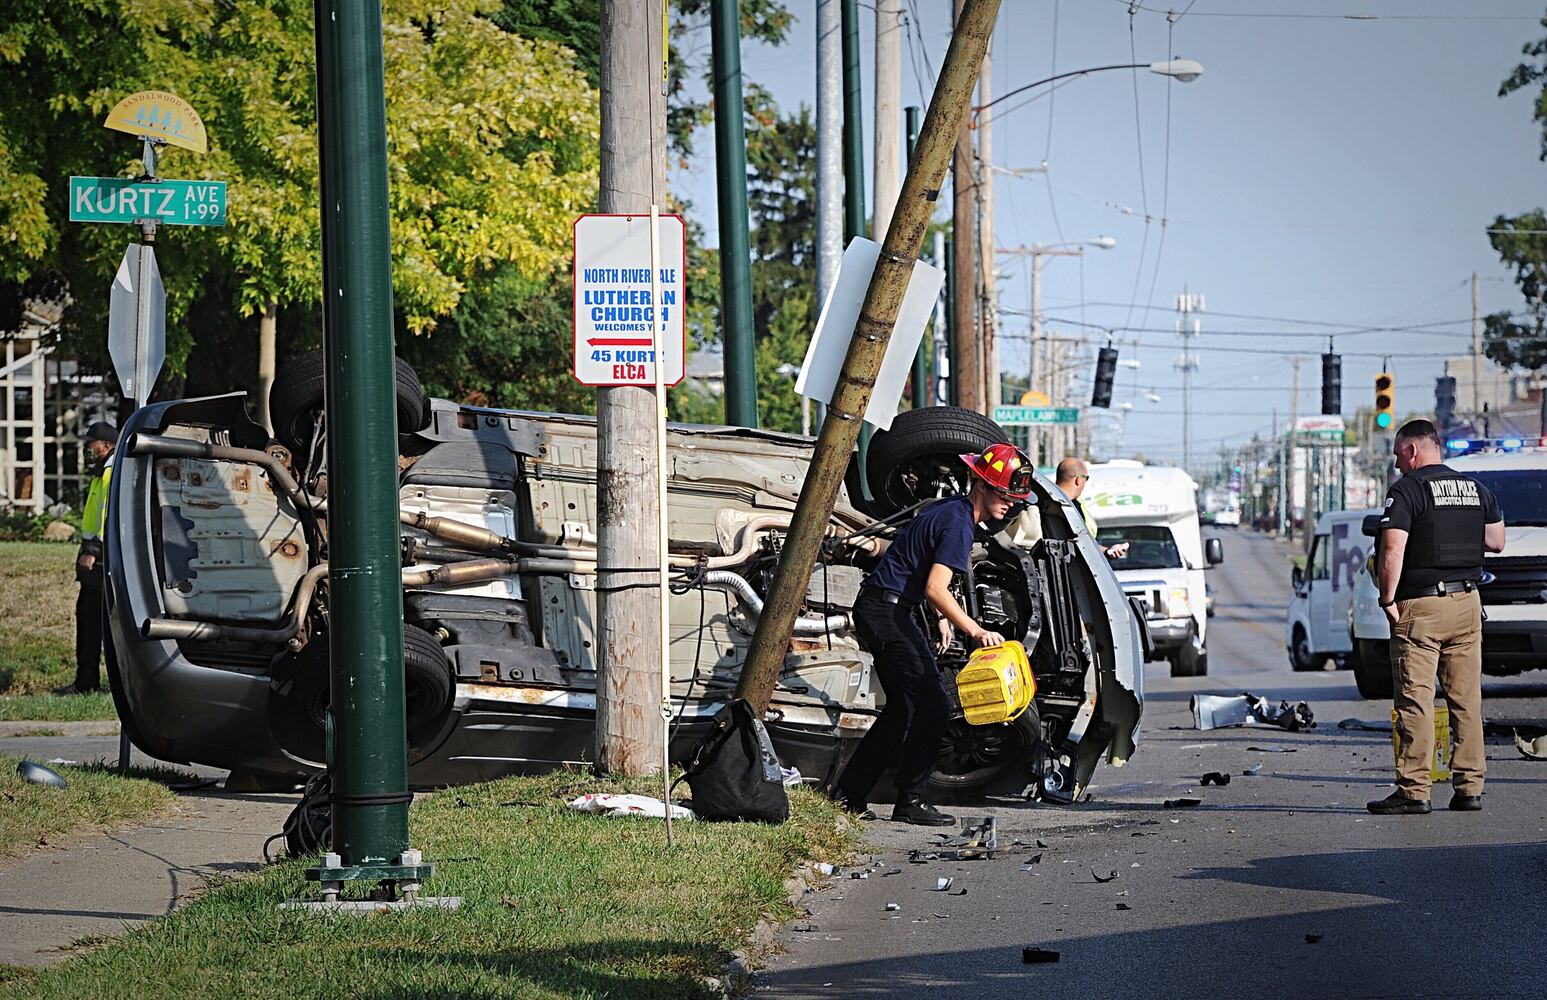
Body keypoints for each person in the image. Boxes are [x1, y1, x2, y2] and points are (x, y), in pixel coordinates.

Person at [832, 442, 1030, 826]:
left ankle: (850, 793)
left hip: (883, 607)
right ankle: (910, 800)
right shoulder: (959, 524)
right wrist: (974, 629)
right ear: (982, 484)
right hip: (886, 611)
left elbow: (918, 566)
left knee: (903, 708)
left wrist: (941, 618)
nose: (1010, 503)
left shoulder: (949, 509)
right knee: (934, 705)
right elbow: (935, 588)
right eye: (1005, 494)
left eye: (1014, 497)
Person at [1367, 419, 1504, 815]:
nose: (1397, 464)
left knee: (1416, 700)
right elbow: (1496, 541)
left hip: (1421, 608)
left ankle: (1414, 791)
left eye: (1397, 455)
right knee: (1466, 701)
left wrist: (1387, 598)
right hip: (1466, 604)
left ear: (1412, 450)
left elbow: (1392, 550)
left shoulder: (1407, 490)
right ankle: (1469, 788)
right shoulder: (1475, 488)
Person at [62, 421, 117, 695]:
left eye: (91, 443)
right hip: (99, 559)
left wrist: (92, 551)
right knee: (90, 622)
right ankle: (87, 681)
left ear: (106, 446)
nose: (88, 448)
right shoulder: (102, 473)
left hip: (102, 561)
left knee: (95, 624)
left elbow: (107, 517)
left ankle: (88, 682)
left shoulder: (110, 473)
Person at [1055, 457, 1127, 559]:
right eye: (1086, 478)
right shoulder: (1068, 507)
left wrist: (1107, 551)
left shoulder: (1044, 500)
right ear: (1078, 480)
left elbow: (1085, 544)